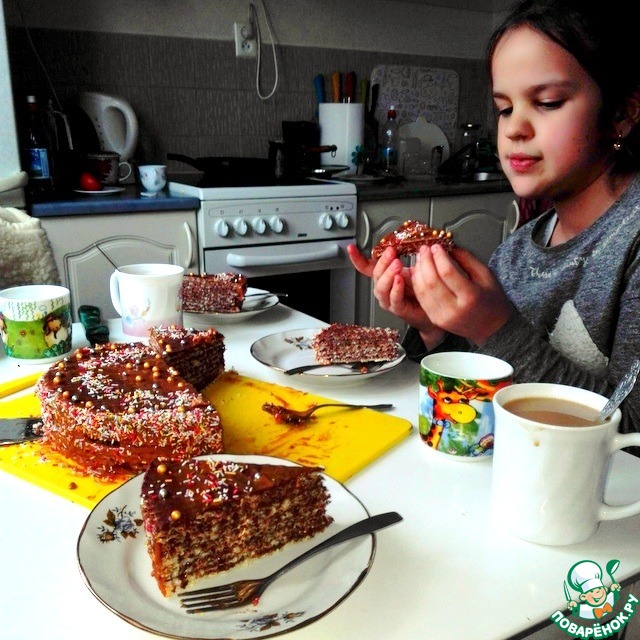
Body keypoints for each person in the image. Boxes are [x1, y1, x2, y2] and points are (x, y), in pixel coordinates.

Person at [348, 0, 640, 436]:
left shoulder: (630, 242)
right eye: (504, 109)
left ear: (621, 114)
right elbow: (476, 403)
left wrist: (494, 327)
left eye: (548, 102)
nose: (514, 128)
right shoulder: (517, 251)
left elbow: (630, 435)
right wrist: (436, 328)